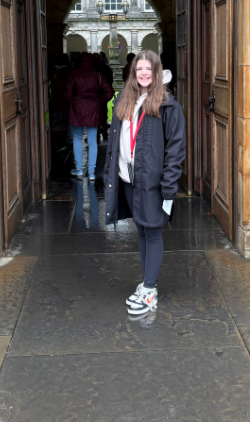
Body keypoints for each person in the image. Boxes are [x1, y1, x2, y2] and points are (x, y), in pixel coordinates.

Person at [103, 50, 185, 316]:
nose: (144, 73)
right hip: (128, 180)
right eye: (140, 69)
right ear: (133, 72)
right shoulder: (125, 100)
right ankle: (148, 283)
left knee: (152, 231)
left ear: (157, 71)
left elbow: (175, 149)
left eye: (149, 69)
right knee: (141, 229)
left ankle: (149, 291)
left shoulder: (168, 104)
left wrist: (169, 187)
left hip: (153, 183)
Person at [64, 52, 115, 180]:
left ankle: (79, 170)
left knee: (77, 139)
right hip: (94, 110)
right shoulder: (98, 75)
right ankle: (91, 173)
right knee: (92, 142)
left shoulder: (73, 74)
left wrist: (76, 100)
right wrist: (99, 100)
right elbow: (110, 92)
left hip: (77, 110)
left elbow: (68, 94)